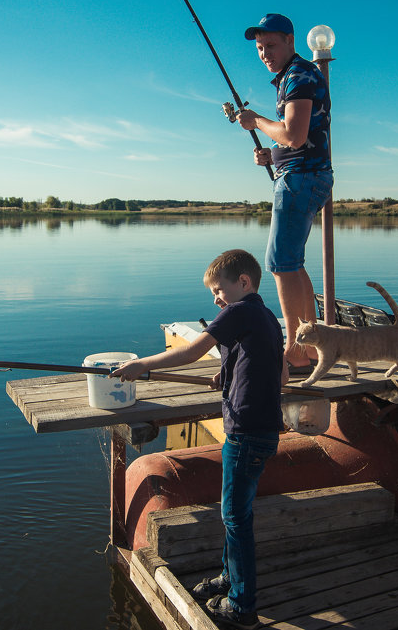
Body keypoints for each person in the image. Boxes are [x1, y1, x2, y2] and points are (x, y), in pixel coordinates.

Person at [112, 249, 283, 630]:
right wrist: (231, 373)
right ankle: (229, 578)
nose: (216, 299)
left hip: (245, 432)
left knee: (235, 518)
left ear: (244, 282)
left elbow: (192, 350)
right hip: (263, 429)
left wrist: (143, 365)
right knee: (235, 512)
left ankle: (242, 605)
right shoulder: (267, 317)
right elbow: (275, 368)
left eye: (219, 289)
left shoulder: (239, 311)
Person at [235, 13, 332, 372]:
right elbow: (296, 140)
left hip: (302, 178)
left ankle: (294, 350)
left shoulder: (300, 75)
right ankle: (309, 345)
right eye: (260, 48)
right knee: (292, 263)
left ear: (290, 41)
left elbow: (293, 134)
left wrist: (256, 121)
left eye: (271, 45)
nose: (264, 53)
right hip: (303, 173)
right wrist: (271, 156)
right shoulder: (292, 77)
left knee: (279, 263)